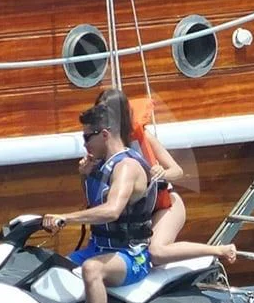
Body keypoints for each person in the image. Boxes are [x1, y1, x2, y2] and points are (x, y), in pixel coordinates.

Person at [91, 89, 238, 267]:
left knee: (155, 252)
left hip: (165, 207)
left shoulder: (142, 137)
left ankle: (219, 250)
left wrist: (162, 172)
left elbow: (177, 171)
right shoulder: (98, 145)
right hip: (136, 215)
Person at [42, 100, 157, 303]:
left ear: (104, 134)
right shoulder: (102, 165)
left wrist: (65, 218)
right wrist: (84, 176)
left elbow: (112, 211)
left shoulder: (126, 167)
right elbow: (95, 204)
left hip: (131, 255)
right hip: (100, 248)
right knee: (53, 268)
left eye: (87, 137)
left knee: (91, 269)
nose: (84, 144)